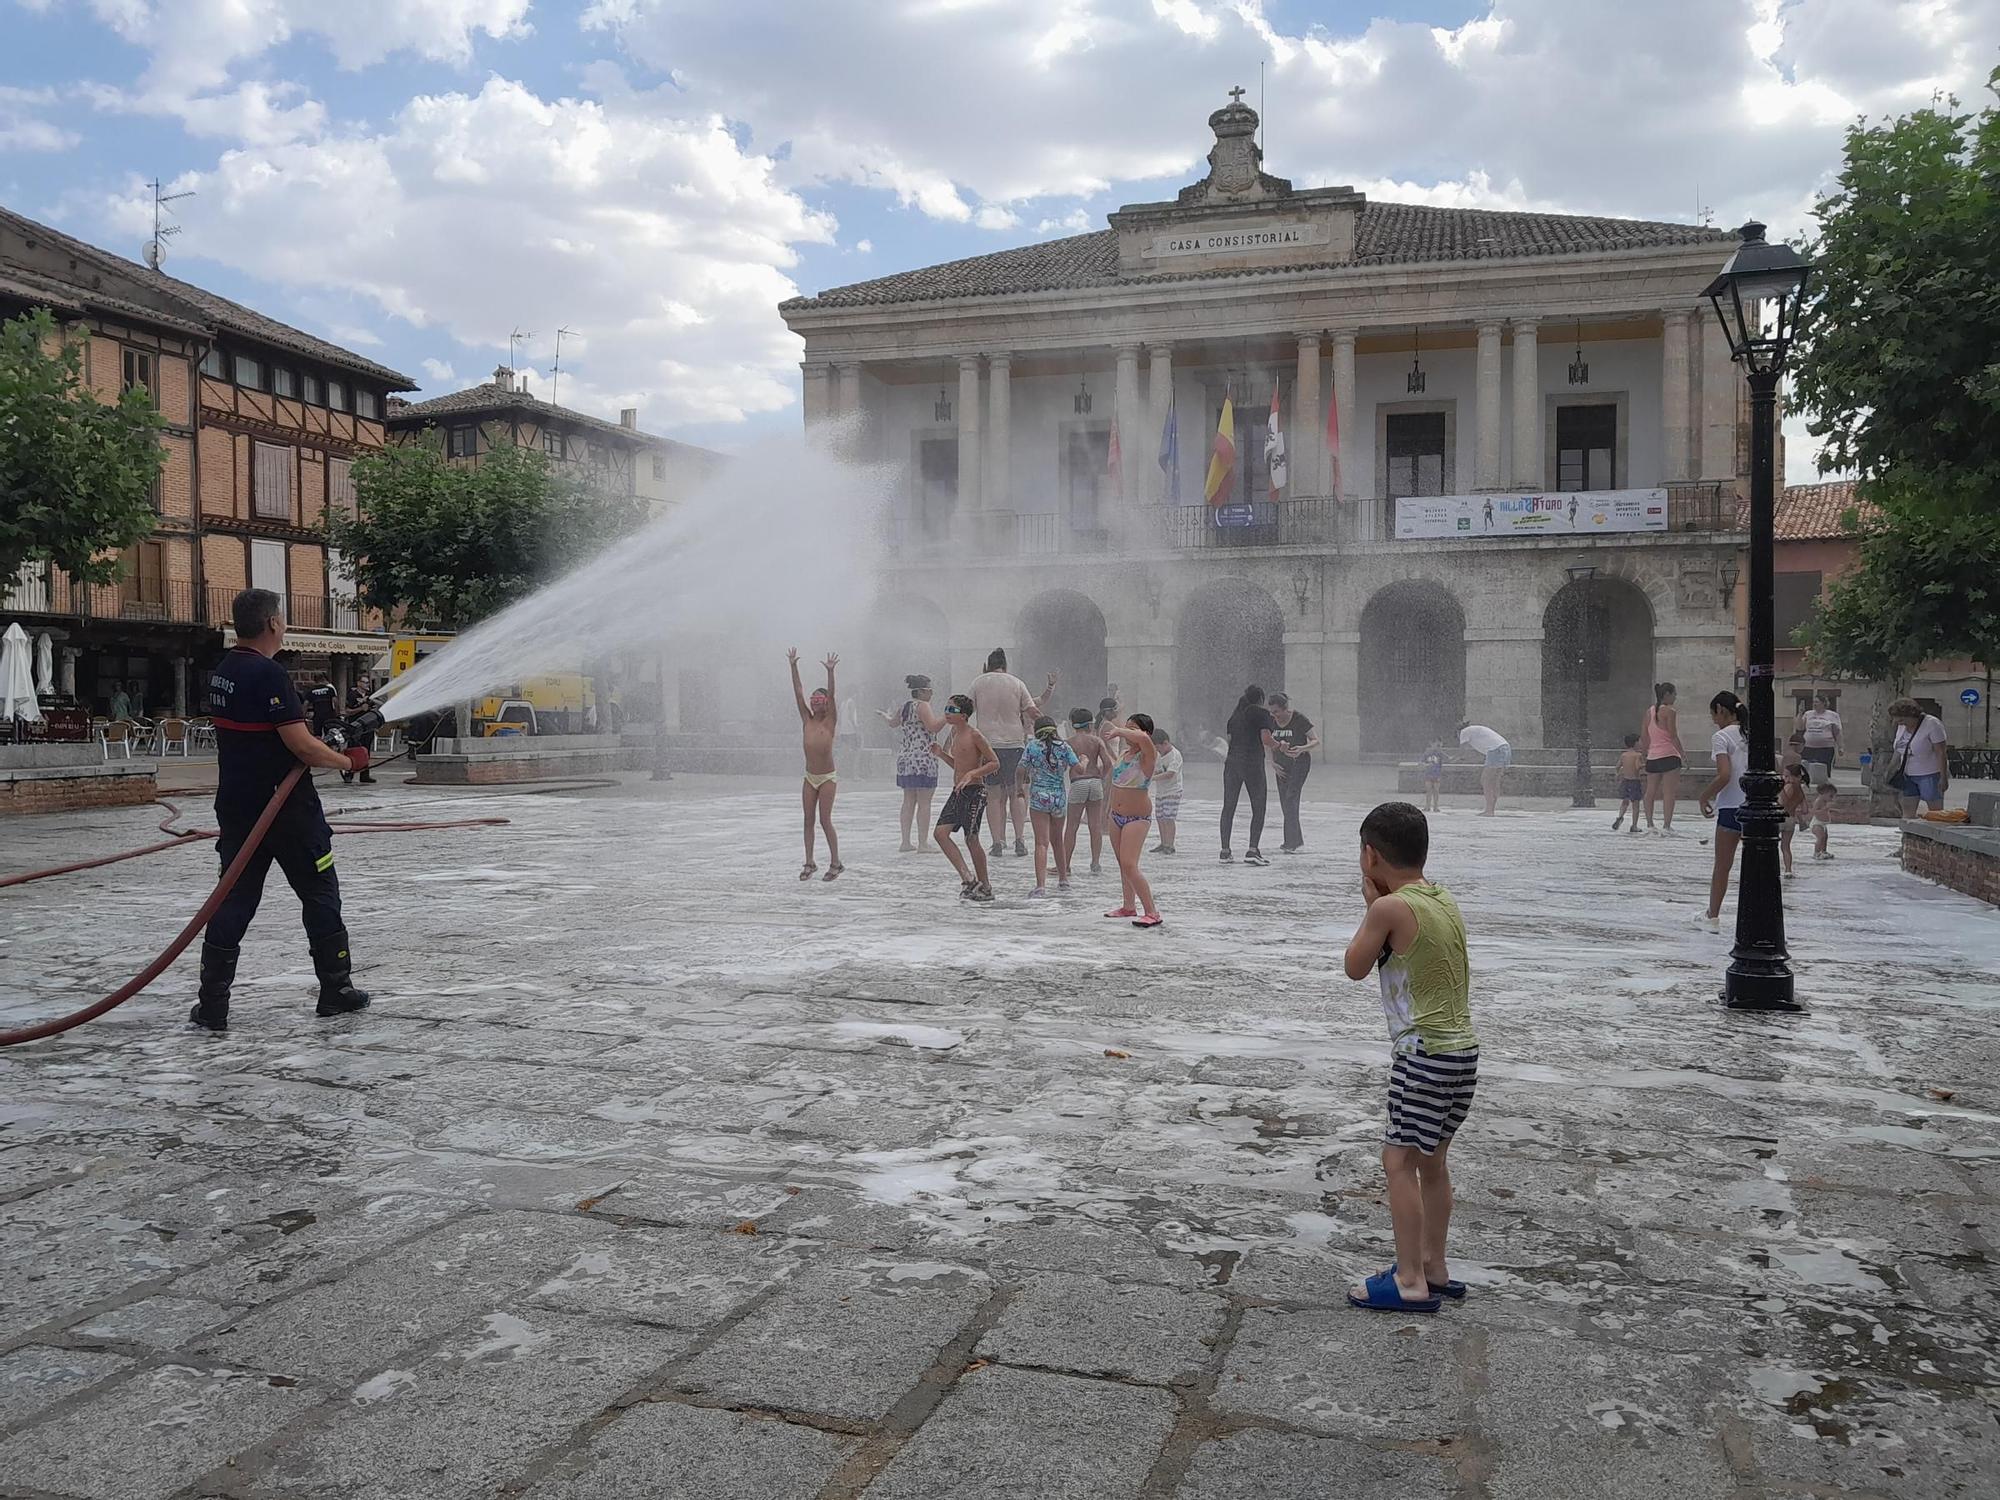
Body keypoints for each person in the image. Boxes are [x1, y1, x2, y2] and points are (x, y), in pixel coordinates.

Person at [190, 588, 373, 1032]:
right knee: (320, 892)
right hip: (288, 811)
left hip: (237, 807)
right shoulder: (269, 675)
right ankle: (336, 990)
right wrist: (349, 760)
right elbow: (300, 745)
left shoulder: (223, 671)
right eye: (283, 618)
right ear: (273, 623)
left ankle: (213, 1004)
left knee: (233, 898)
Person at [1341, 802, 1477, 1316]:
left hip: (1422, 1056)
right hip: (1462, 1054)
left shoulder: (1388, 909)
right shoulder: (1441, 897)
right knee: (1433, 1163)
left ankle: (1410, 1281)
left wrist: (1369, 905)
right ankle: (1434, 1268)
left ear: (1370, 855)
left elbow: (1355, 965)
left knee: (1398, 1161)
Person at [970, 648, 1057, 861]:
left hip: (988, 745)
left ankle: (997, 842)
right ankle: (1019, 839)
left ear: (987, 665)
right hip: (1014, 744)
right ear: (1005, 666)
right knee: (1017, 792)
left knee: (993, 795)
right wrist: (1050, 731)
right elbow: (1033, 711)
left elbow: (966, 711)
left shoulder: (978, 683)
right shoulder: (1016, 683)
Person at [931, 694, 999, 902]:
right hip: (958, 791)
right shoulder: (953, 732)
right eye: (946, 709)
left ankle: (985, 886)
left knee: (971, 839)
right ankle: (968, 879)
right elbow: (958, 765)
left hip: (975, 792)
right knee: (940, 834)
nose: (947, 714)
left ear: (964, 715)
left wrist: (972, 774)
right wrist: (941, 755)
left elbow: (994, 763)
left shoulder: (975, 735)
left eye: (952, 710)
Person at [1101, 714, 1163, 927]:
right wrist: (1106, 811)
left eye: (1133, 729)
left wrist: (1119, 731)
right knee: (1122, 864)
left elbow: (1144, 740)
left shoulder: (1148, 755)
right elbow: (1116, 784)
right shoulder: (1125, 753)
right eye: (1127, 728)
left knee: (1130, 864)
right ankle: (1128, 906)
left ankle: (1152, 912)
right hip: (1116, 816)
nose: (1128, 732)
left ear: (1145, 732)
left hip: (1137, 818)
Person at [1696, 690, 1749, 932]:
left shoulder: (1721, 737)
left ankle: (1713, 915)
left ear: (1720, 710)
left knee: (1722, 866)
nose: (1713, 719)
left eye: (1713, 713)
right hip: (1755, 806)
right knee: (1755, 866)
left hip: (1730, 807)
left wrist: (1705, 796)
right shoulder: (1751, 734)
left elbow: (1725, 775)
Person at [788, 648, 842, 882]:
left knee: (824, 819)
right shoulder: (806, 719)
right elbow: (798, 694)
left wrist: (830, 672)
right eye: (814, 701)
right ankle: (809, 861)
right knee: (807, 819)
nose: (817, 705)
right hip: (810, 777)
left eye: (821, 701)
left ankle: (836, 862)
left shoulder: (830, 720)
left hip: (827, 777)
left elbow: (833, 693)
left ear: (826, 704)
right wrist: (793, 667)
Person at [880, 675, 945, 852]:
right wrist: (948, 716)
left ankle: (905, 842)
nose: (932, 694)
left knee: (908, 800)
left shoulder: (905, 706)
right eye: (930, 691)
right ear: (922, 691)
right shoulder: (923, 706)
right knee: (924, 801)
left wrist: (885, 716)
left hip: (906, 757)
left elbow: (893, 723)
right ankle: (923, 843)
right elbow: (932, 726)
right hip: (923, 758)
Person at [1019, 715, 1079, 896]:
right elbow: (1078, 768)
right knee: (1057, 840)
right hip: (1059, 797)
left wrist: (1018, 788)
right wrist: (1083, 761)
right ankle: (1063, 880)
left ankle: (1040, 886)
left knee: (1041, 843)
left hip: (1039, 797)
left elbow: (1020, 768)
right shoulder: (1065, 747)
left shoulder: (1032, 747)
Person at [1221, 685, 1278, 865]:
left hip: (1232, 764)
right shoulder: (1261, 714)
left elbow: (1230, 741)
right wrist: (1280, 746)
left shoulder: (1234, 717)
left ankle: (1225, 851)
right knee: (1258, 806)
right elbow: (1266, 739)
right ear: (1260, 698)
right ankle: (1253, 850)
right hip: (1252, 764)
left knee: (1228, 807)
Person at [1268, 693, 1320, 854]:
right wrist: (1271, 762)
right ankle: (1296, 839)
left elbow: (1315, 740)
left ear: (1285, 709)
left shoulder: (1299, 719)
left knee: (1291, 798)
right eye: (1271, 712)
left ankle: (1290, 842)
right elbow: (1267, 742)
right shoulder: (1271, 722)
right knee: (1285, 802)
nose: (1274, 715)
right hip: (1281, 766)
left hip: (1300, 763)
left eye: (1276, 711)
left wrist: (1301, 749)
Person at [1062, 707, 1111, 875]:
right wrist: (1101, 777)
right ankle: (1095, 863)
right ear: (1090, 724)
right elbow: (1108, 763)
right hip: (1095, 783)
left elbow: (1062, 766)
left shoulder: (1068, 742)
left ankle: (1066, 865)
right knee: (1095, 826)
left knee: (1072, 826)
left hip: (1078, 783)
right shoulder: (1096, 741)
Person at [1888, 698, 1949, 815]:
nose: (1899, 722)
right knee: (1907, 810)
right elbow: (1899, 750)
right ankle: (1907, 831)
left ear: (1911, 715)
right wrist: (1890, 769)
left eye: (1902, 720)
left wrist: (1943, 777)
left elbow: (1941, 752)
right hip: (1908, 774)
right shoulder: (1901, 727)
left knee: (1935, 812)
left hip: (1929, 773)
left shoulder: (1932, 724)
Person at [1639, 683, 1683, 835]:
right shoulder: (1670, 711)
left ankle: (1650, 824)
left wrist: (1645, 754)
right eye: (1674, 694)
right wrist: (1683, 755)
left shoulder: (1648, 712)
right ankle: (1666, 825)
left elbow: (1644, 736)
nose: (1675, 697)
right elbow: (1673, 735)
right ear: (1667, 694)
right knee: (1669, 793)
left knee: (1650, 792)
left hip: (1653, 757)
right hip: (1670, 755)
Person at [1457, 721, 1510, 817]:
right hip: (1505, 748)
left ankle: (1489, 811)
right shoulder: (1475, 730)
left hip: (1495, 750)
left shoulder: (1464, 732)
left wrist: (1455, 759)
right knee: (1494, 782)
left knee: (1486, 781)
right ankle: (1491, 809)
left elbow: (1463, 752)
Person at [1150, 726, 1183, 855]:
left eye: (1158, 747)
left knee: (1169, 818)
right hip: (1161, 791)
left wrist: (1152, 778)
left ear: (1165, 743)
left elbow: (1170, 774)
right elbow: (1158, 770)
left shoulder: (1175, 755)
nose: (1157, 750)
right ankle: (1163, 843)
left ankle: (1170, 844)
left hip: (1173, 791)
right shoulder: (1159, 755)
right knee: (1160, 817)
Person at [1798, 691, 1841, 779]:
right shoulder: (1808, 714)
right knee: (1806, 771)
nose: (1814, 704)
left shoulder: (1833, 715)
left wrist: (1840, 747)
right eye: (1813, 702)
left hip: (1825, 748)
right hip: (1808, 747)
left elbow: (1837, 732)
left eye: (1817, 702)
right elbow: (1800, 727)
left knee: (1823, 771)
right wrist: (1800, 713)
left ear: (1823, 703)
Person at [1779, 762, 1810, 878]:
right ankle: (1788, 870)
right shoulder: (1800, 790)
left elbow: (1782, 802)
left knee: (1770, 843)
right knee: (1786, 846)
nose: (1784, 778)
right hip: (1790, 820)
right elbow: (1805, 810)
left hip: (1779, 817)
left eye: (1786, 776)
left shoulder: (1787, 786)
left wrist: (1780, 789)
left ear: (1796, 777)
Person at [1611, 734, 1645, 832]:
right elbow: (1637, 766)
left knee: (1625, 802)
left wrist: (1617, 774)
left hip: (1625, 781)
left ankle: (1620, 817)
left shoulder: (1624, 755)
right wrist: (1645, 765)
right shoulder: (1637, 755)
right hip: (1635, 781)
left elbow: (1617, 767)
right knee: (1635, 805)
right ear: (1635, 743)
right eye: (1640, 741)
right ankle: (1634, 826)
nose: (1641, 743)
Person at [1810, 776, 1837, 860]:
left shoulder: (1825, 801)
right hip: (1817, 823)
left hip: (1823, 823)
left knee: (1825, 837)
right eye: (1830, 796)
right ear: (1823, 793)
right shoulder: (1818, 801)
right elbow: (1814, 812)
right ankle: (1816, 853)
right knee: (1820, 837)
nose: (1832, 798)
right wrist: (1825, 809)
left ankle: (1824, 851)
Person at [1420, 739, 1445, 814]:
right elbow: (1421, 762)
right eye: (1435, 744)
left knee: (1436, 791)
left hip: (1436, 774)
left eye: (1438, 745)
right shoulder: (1426, 753)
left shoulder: (1440, 754)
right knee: (1428, 790)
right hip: (1428, 774)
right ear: (1431, 744)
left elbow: (1443, 763)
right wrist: (1426, 765)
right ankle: (1427, 806)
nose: (1436, 746)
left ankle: (1435, 806)